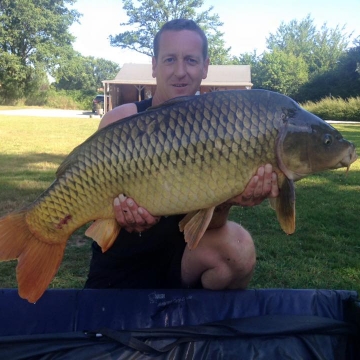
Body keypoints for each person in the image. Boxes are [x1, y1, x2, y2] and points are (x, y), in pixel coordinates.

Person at [85, 19, 278, 290]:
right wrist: (122, 217)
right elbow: (93, 207)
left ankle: (201, 321)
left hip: (183, 256)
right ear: (154, 66)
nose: (180, 71)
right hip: (121, 262)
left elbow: (213, 223)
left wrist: (230, 197)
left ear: (205, 66)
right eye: (169, 60)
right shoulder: (120, 122)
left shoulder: (221, 128)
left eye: (190, 60)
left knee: (238, 247)